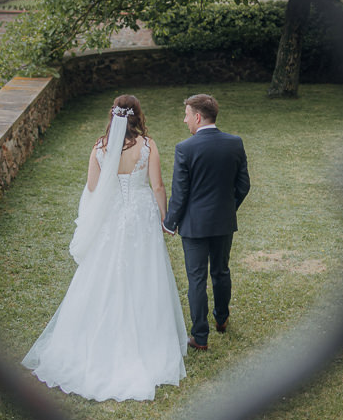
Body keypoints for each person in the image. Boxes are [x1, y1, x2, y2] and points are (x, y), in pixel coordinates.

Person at [22, 94, 188, 401]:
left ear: (113, 116)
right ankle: (148, 340)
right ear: (138, 115)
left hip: (111, 216)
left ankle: (95, 341)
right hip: (141, 216)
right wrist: (165, 220)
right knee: (145, 273)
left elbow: (93, 188)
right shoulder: (148, 146)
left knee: (103, 274)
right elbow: (158, 186)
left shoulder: (100, 147)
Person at [163, 94, 250, 351]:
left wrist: (170, 223)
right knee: (221, 271)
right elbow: (243, 185)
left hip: (194, 226)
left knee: (197, 279)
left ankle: (200, 337)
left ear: (198, 117)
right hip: (223, 222)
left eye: (187, 115)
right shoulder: (235, 143)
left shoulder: (185, 148)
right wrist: (227, 208)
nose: (185, 119)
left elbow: (180, 193)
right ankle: (221, 319)